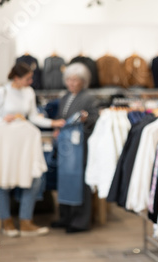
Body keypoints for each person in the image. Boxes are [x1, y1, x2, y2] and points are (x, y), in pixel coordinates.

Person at [0, 62, 65, 237]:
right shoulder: (1, 92)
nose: (31, 81)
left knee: (34, 178)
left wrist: (52, 123)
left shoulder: (29, 92)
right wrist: (3, 119)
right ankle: (7, 222)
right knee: (2, 178)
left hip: (24, 141)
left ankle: (26, 221)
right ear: (16, 78)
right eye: (28, 78)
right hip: (5, 141)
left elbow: (34, 116)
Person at [50, 62, 99, 233]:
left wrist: (86, 118)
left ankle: (80, 221)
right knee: (64, 180)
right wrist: (57, 128)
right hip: (66, 147)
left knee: (80, 181)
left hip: (80, 147)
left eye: (75, 80)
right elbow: (60, 117)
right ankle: (65, 217)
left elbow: (95, 119)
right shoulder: (64, 97)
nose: (71, 83)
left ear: (83, 81)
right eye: (69, 79)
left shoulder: (89, 98)